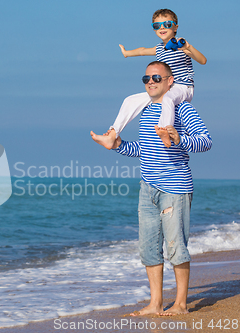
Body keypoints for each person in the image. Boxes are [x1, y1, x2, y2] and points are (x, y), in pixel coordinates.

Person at [93, 61, 212, 316]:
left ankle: (180, 304)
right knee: (148, 247)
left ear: (170, 81)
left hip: (175, 189)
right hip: (147, 189)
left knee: (175, 246)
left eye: (156, 78)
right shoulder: (146, 110)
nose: (150, 82)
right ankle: (155, 303)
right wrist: (118, 145)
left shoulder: (184, 110)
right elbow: (143, 149)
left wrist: (181, 139)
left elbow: (205, 141)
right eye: (146, 78)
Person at [92, 8, 207, 148]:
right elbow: (142, 51)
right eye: (157, 26)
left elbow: (202, 60)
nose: (162, 28)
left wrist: (188, 47)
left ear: (176, 26)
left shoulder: (180, 46)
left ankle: (165, 130)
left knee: (168, 99)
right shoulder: (159, 48)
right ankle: (112, 135)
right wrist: (127, 53)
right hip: (165, 88)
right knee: (130, 100)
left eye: (167, 24)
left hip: (182, 87)